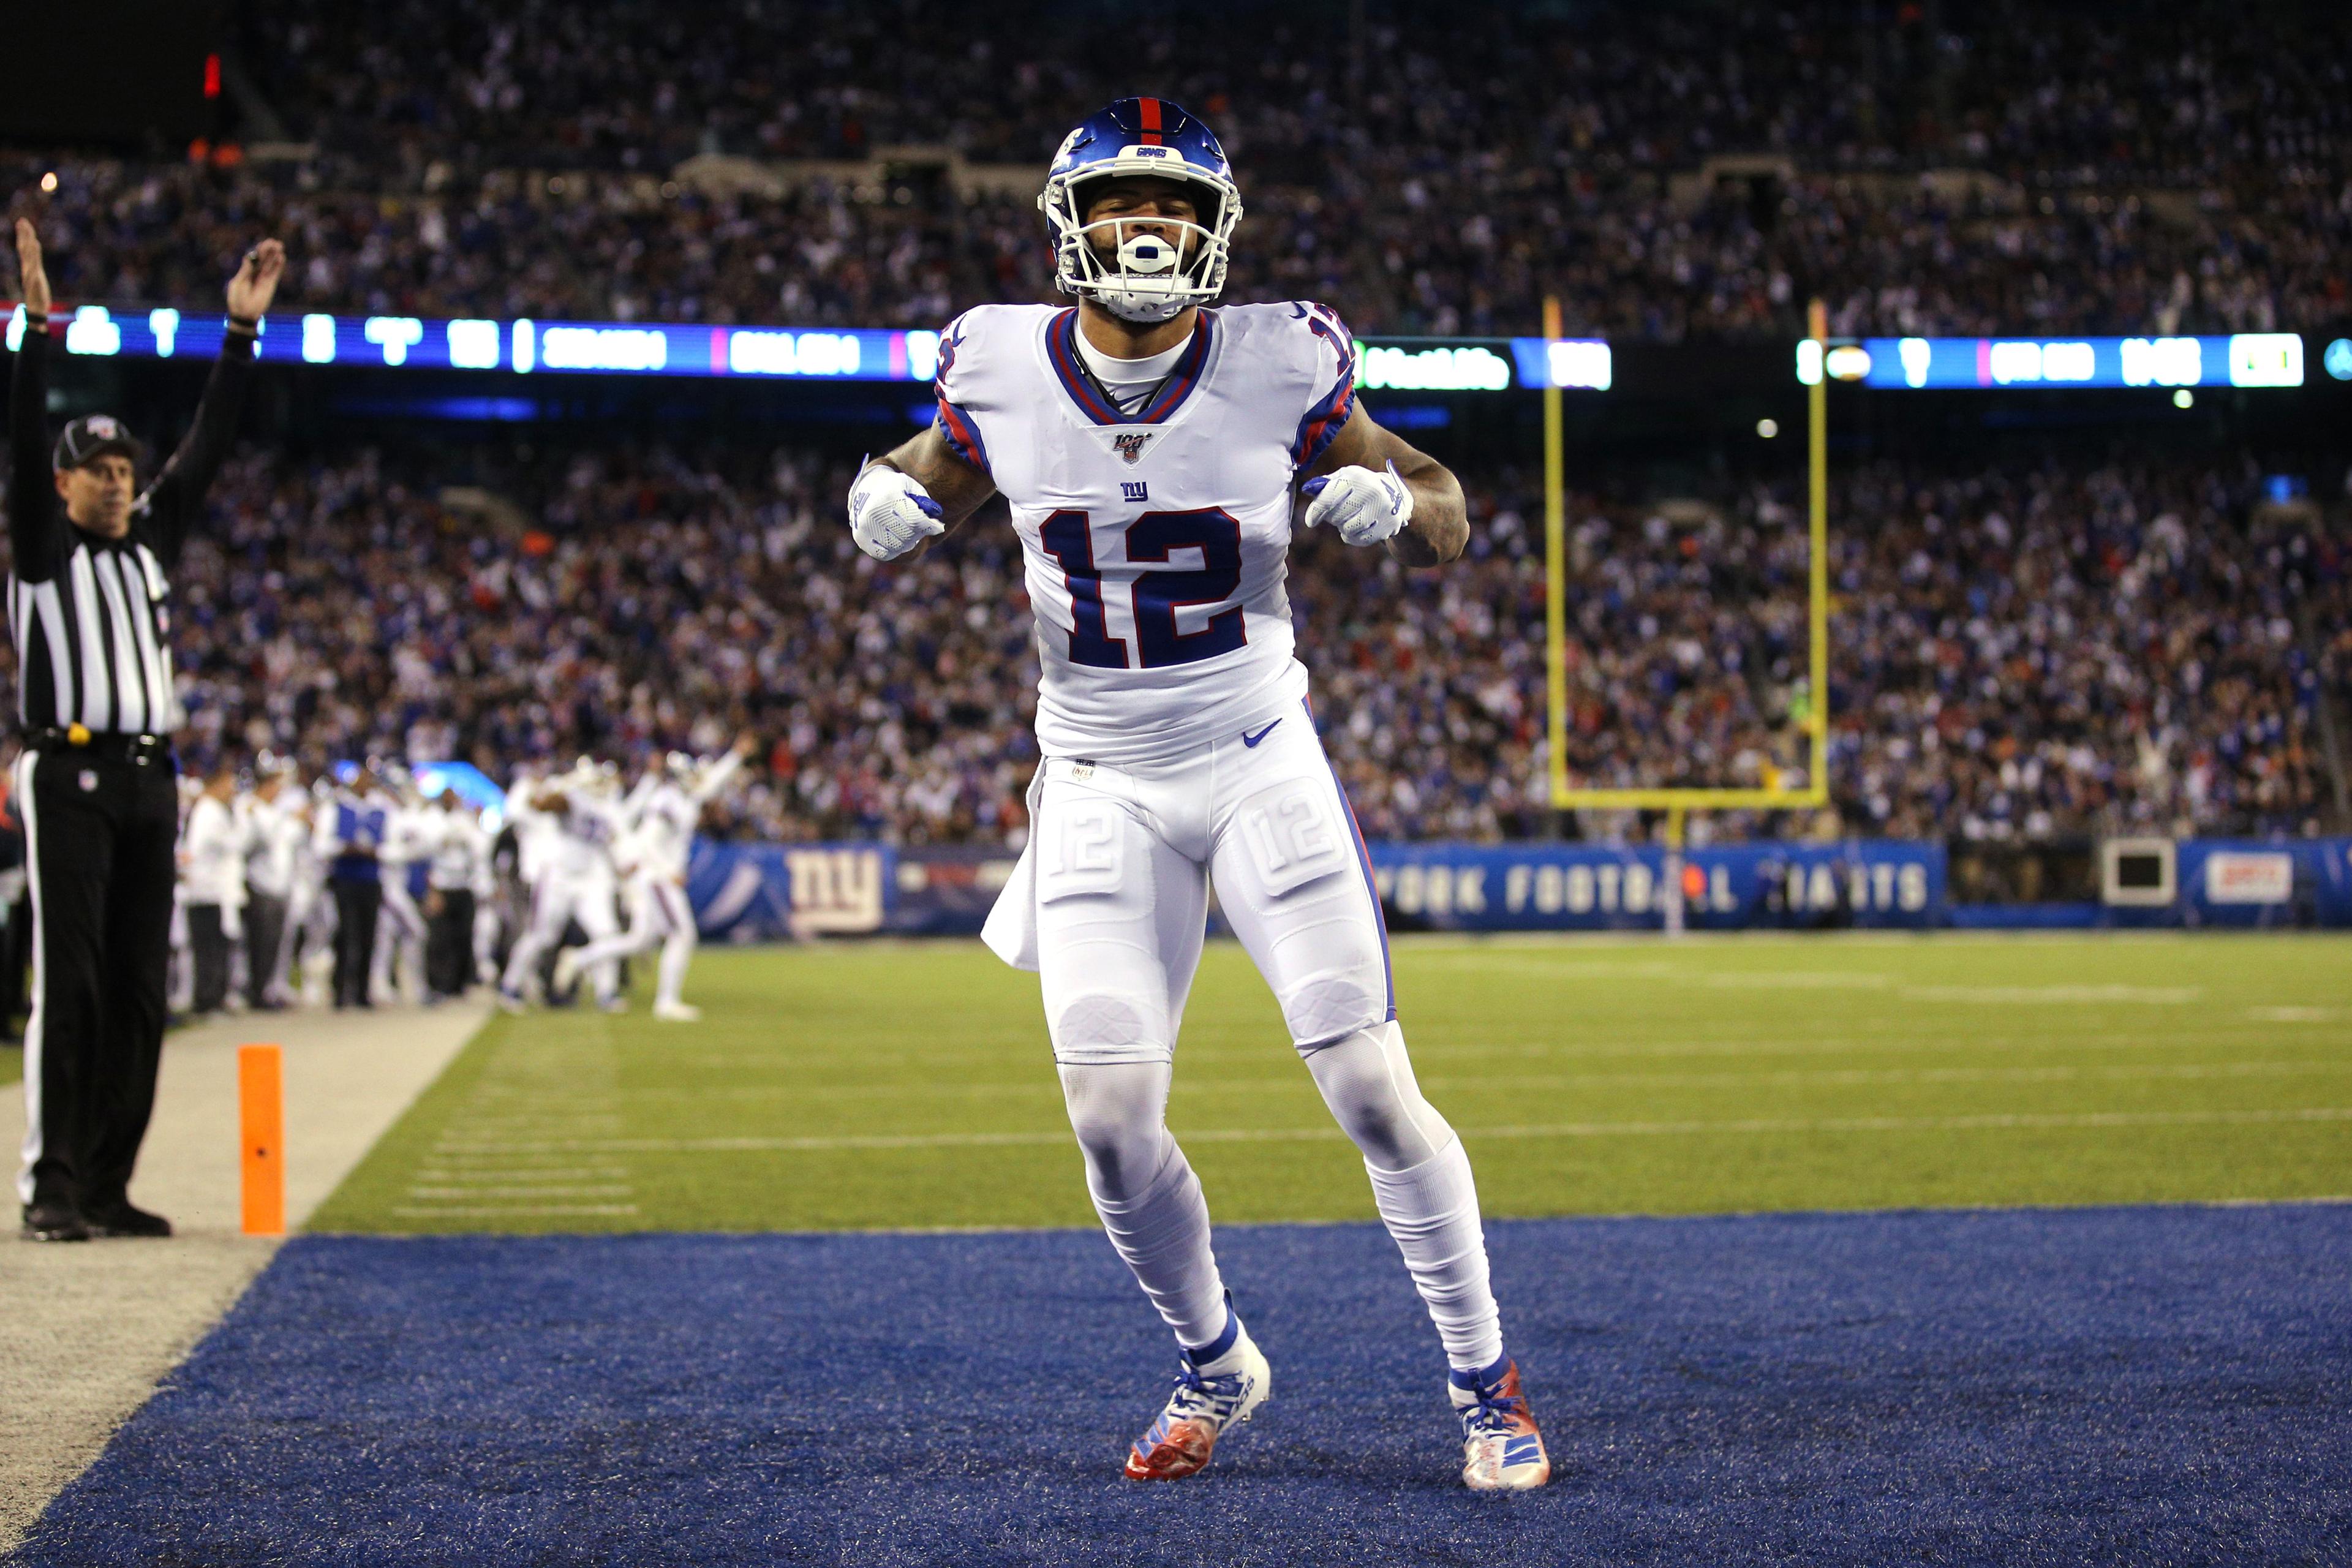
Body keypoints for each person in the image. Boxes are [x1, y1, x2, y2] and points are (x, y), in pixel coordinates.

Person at [846, 99, 1547, 1490]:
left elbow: (1449, 499)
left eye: (1168, 200)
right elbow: (929, 471)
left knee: (1364, 1081)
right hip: (1096, 775)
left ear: (1214, 224)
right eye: (1117, 200)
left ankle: (1487, 1382)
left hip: (1251, 755)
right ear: (1069, 221)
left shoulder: (1287, 357)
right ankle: (1217, 1357)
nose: (1144, 224)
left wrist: (1401, 508)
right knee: (1108, 1119)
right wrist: (879, 489)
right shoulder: (994, 360)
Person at [7, 216, 284, 1241]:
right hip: (68, 769)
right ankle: (52, 1183)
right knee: (69, 980)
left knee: (135, 987)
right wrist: (37, 329)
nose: (118, 477)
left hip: (148, 776)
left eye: (125, 464)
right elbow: (21, 434)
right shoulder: (43, 551)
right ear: (62, 486)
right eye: (97, 467)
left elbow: (206, 449)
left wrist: (241, 335)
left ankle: (109, 1181)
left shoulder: (152, 544)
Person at [555, 736, 751, 1020]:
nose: (697, 781)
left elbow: (712, 782)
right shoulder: (666, 801)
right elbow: (647, 842)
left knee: (638, 941)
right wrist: (668, 870)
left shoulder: (685, 798)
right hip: (656, 877)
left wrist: (735, 755)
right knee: (682, 934)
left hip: (656, 876)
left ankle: (579, 958)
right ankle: (667, 1002)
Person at [498, 761, 625, 1012]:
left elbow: (613, 839)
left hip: (590, 879)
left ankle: (607, 992)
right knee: (541, 936)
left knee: (607, 933)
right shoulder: (571, 797)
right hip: (558, 877)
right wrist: (563, 788)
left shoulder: (610, 806)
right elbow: (542, 805)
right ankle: (510, 986)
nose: (604, 786)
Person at [177, 763, 244, 1016]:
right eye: (229, 785)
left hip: (213, 892)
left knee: (216, 949)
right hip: (204, 893)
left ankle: (214, 997)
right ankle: (206, 1001)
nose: (233, 791)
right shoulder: (208, 811)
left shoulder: (214, 810)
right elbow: (204, 850)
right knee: (207, 951)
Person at [320, 766, 388, 1010]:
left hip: (370, 879)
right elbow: (321, 845)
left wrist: (376, 852)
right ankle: (341, 991)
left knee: (369, 937)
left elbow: (394, 847)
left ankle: (362, 991)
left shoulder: (381, 808)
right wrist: (344, 848)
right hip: (345, 879)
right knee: (346, 935)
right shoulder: (337, 807)